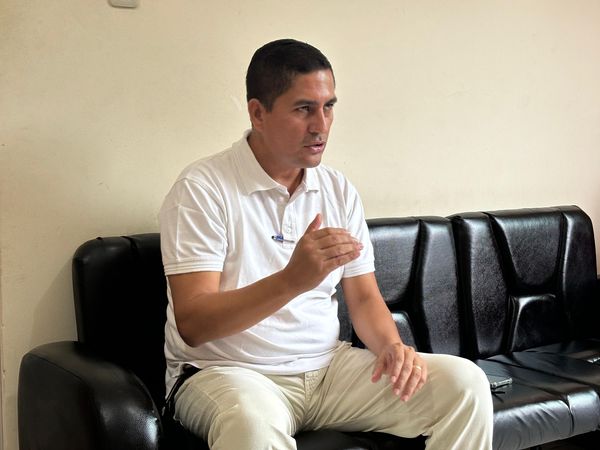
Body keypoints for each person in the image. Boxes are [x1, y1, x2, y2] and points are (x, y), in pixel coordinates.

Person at [159, 38, 493, 450]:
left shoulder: (337, 189)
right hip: (227, 372)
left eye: (328, 106)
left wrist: (391, 346)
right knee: (251, 426)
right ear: (258, 113)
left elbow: (364, 297)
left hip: (329, 369)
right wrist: (292, 280)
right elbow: (194, 324)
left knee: (465, 385)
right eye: (304, 109)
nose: (321, 125)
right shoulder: (201, 189)